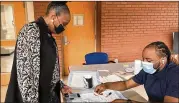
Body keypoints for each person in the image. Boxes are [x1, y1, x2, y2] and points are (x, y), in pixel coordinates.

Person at [5, 1, 72, 103]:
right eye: (63, 24)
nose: (64, 28)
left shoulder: (46, 34)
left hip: (48, 95)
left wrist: (61, 85)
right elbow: (26, 78)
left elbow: (48, 67)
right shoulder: (31, 32)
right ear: (53, 17)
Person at [95, 41, 179, 102]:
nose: (145, 63)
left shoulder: (174, 75)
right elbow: (126, 84)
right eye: (143, 59)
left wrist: (128, 102)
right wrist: (106, 85)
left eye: (149, 60)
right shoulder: (148, 70)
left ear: (163, 60)